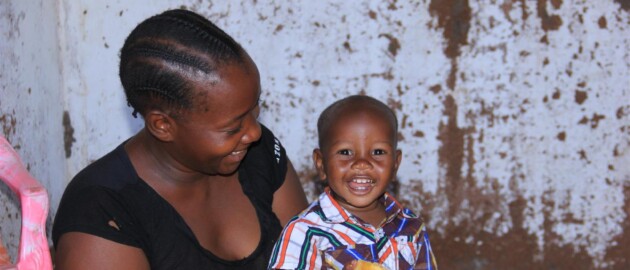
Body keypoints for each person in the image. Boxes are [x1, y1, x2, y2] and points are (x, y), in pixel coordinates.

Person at [52, 9, 308, 269]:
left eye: (255, 109)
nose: (254, 132)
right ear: (162, 125)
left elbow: (311, 254)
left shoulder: (259, 155)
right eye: (232, 128)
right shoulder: (103, 212)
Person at [268, 95, 437, 270]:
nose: (362, 163)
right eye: (345, 152)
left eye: (378, 152)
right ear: (321, 163)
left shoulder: (410, 227)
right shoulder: (306, 232)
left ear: (395, 164)